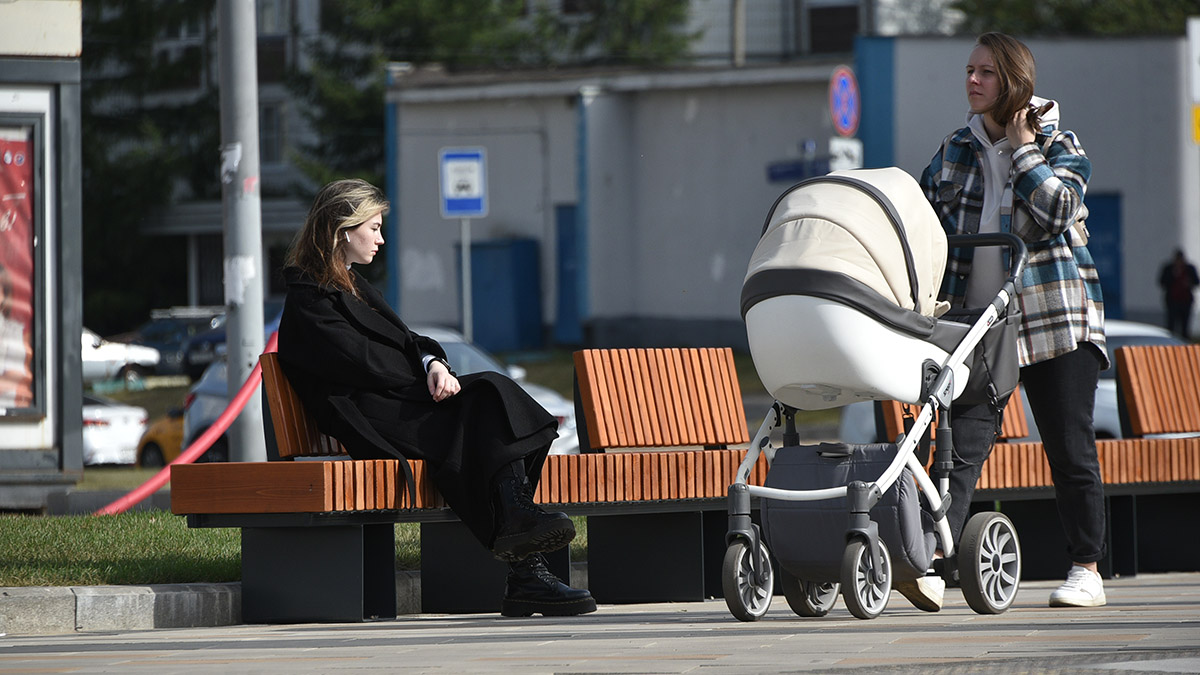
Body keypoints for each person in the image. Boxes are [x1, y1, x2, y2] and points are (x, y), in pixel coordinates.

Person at [276, 178, 595, 618]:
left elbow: (408, 340)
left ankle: (521, 539)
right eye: (374, 227)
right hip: (371, 417)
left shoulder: (352, 285)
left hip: (399, 404)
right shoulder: (309, 299)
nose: (381, 239)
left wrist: (434, 364)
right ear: (342, 229)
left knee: (489, 396)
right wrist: (422, 367)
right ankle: (523, 557)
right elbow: (366, 363)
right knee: (483, 406)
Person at [908, 32, 1108, 610]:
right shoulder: (953, 150)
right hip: (979, 325)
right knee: (959, 447)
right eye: (968, 70)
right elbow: (922, 226)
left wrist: (1023, 150)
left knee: (1069, 446)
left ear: (1015, 81)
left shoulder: (1059, 144)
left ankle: (1085, 569)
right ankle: (931, 564)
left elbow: (1057, 210)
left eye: (986, 72)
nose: (972, 80)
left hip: (1053, 317)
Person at [1158, 249, 1198, 340]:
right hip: (1172, 301)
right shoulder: (1168, 268)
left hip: (1185, 301)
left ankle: (1185, 343)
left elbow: (1196, 282)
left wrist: (1189, 283)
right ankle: (1170, 343)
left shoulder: (1189, 269)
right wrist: (1173, 275)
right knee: (1171, 325)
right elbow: (1162, 282)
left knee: (1185, 327)